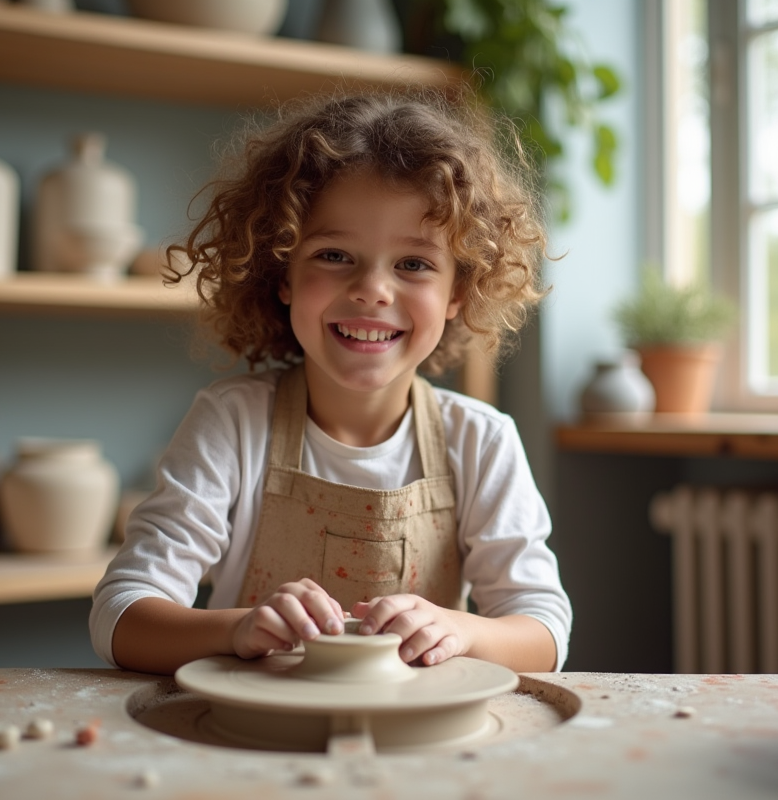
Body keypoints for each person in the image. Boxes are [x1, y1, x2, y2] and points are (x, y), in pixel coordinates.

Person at [90, 90, 571, 676]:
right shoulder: (233, 424)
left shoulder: (481, 440)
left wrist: (461, 629)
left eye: (414, 264)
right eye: (335, 254)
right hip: (255, 739)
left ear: (458, 293)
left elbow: (544, 632)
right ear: (282, 273)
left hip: (418, 749)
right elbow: (119, 616)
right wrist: (236, 627)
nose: (373, 289)